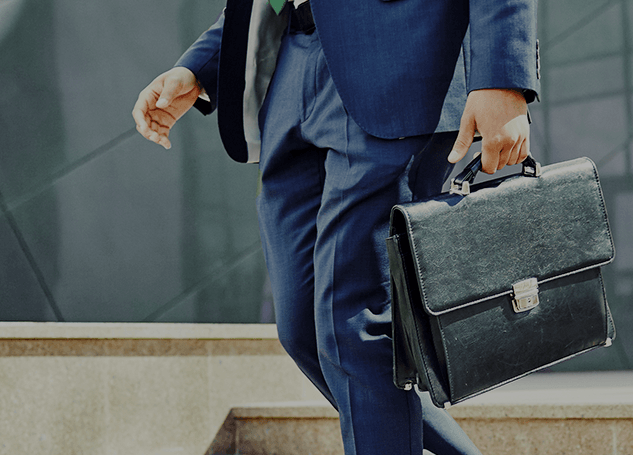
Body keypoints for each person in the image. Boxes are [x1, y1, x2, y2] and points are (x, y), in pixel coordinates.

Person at [131, 0, 539, 454]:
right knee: (303, 327)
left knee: (351, 326)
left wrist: (503, 75)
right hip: (290, 63)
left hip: (398, 59)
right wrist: (201, 64)